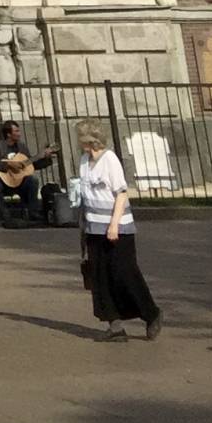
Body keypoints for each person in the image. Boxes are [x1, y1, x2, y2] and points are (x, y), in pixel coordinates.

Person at [75, 121, 163, 342]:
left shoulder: (110, 160)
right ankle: (114, 325)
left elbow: (121, 193)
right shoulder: (85, 161)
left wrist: (114, 224)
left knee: (124, 273)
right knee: (100, 277)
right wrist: (83, 228)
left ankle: (151, 313)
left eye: (80, 137)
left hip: (117, 229)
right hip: (93, 227)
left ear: (89, 140)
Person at [0, 119, 54, 222]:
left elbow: (32, 164)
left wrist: (46, 158)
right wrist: (8, 164)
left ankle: (32, 212)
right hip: (3, 182)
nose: (19, 134)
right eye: (16, 131)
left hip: (19, 182)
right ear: (8, 134)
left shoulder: (21, 147)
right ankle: (5, 214)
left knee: (33, 180)